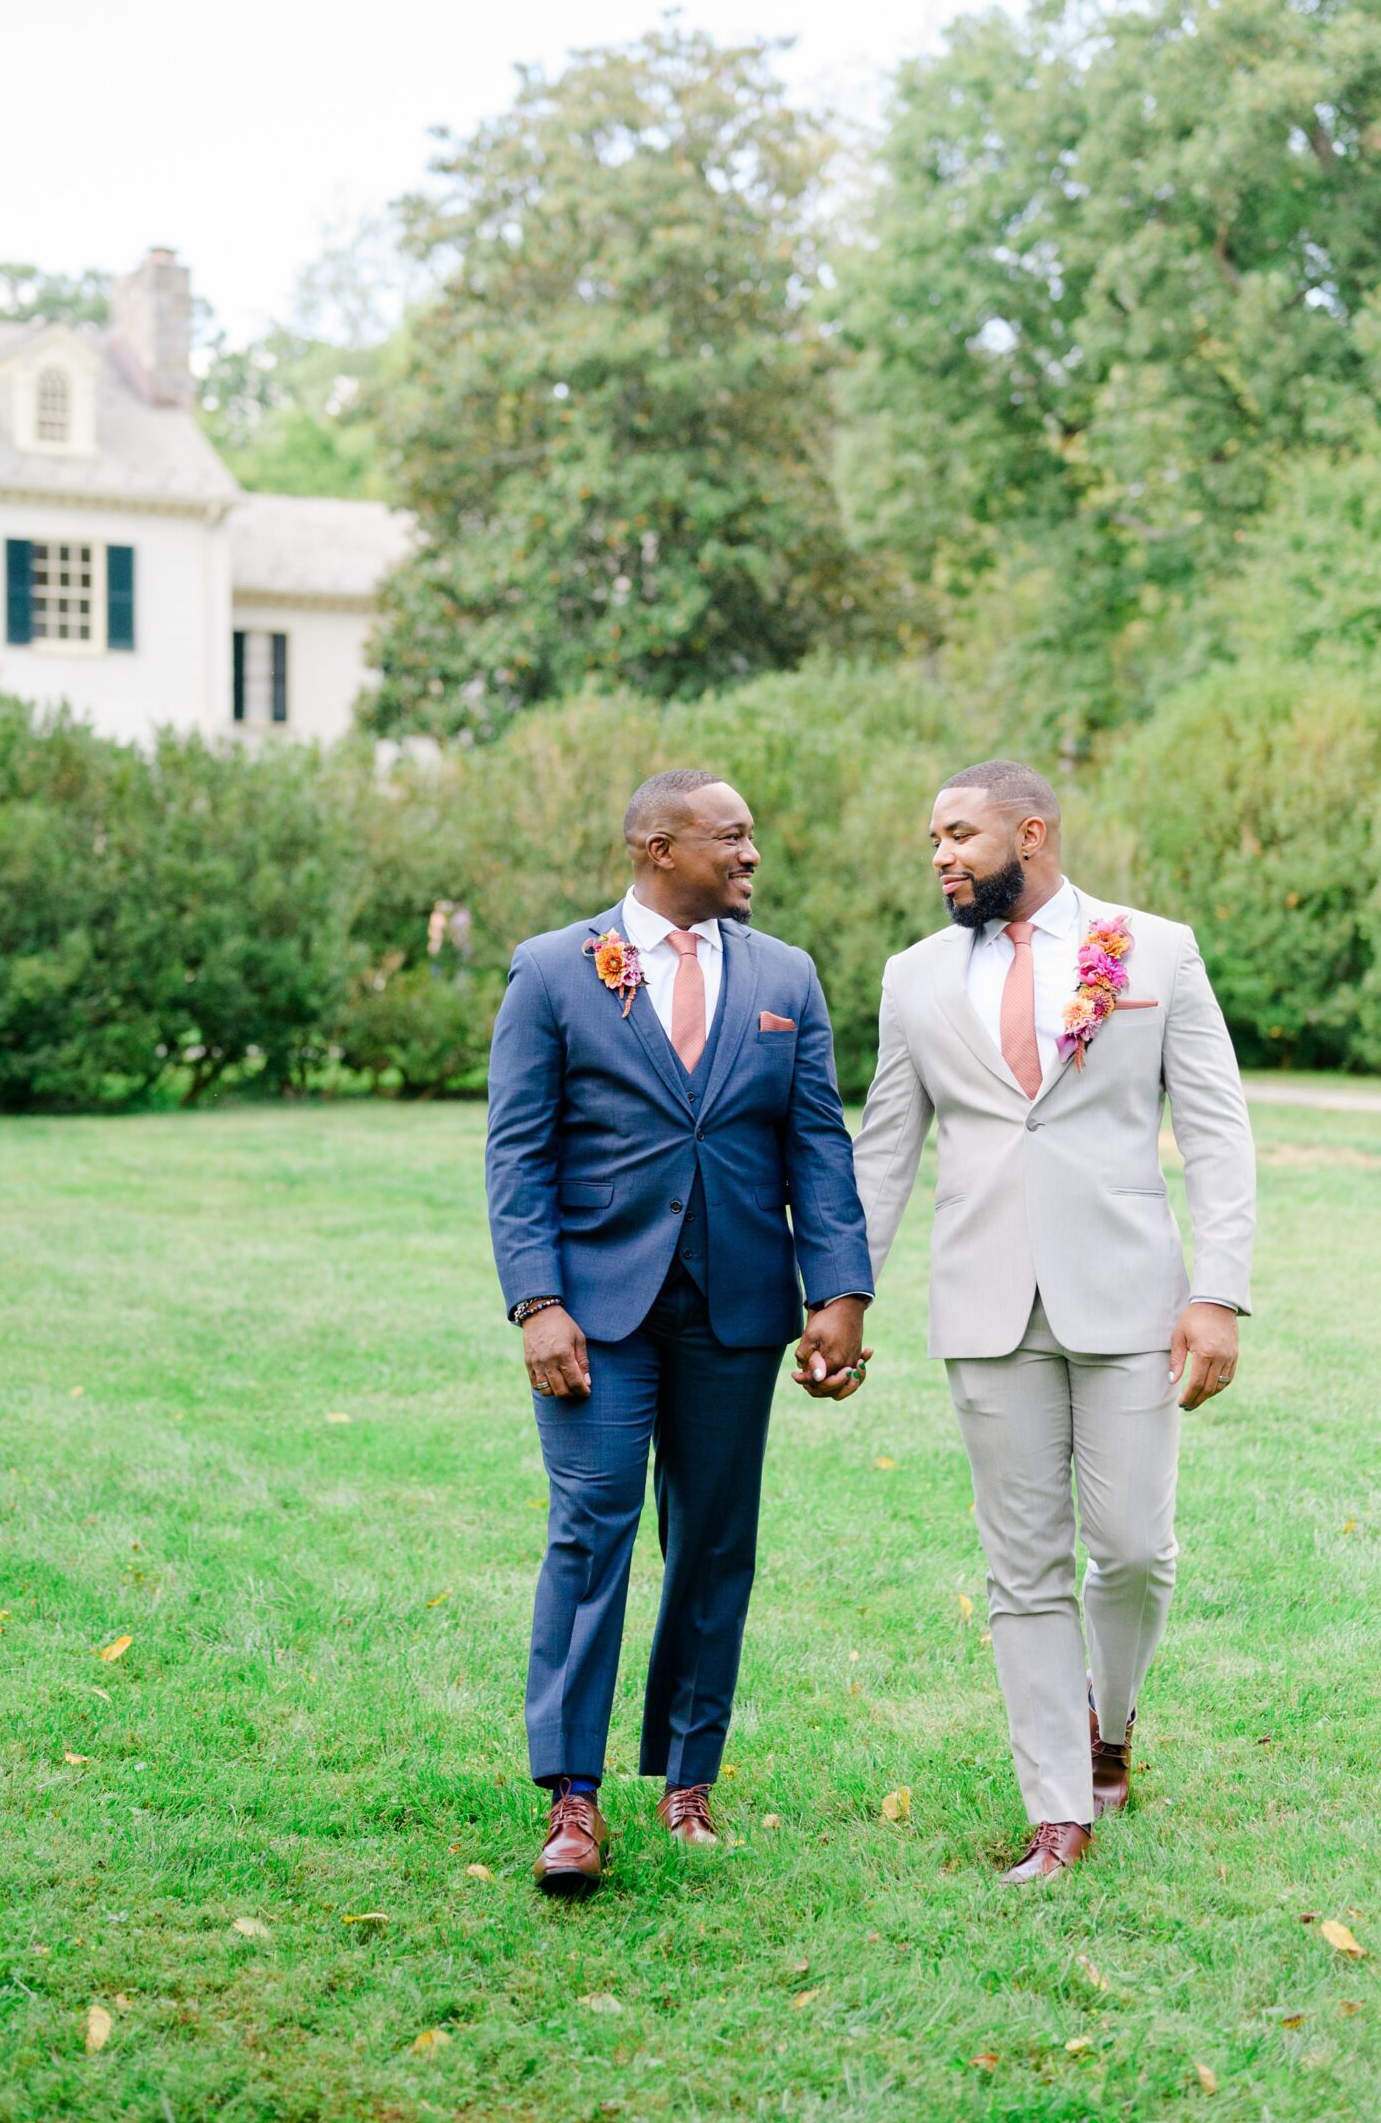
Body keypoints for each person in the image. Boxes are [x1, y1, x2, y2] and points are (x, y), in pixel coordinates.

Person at [849, 759, 1254, 1884]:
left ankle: (1109, 1724)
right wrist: (841, 1291)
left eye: (959, 834)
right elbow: (884, 1146)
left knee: (1129, 1546)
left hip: (1129, 1293)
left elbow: (1215, 1132)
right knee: (1021, 1566)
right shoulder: (913, 976)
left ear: (1030, 832)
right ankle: (1056, 1811)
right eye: (930, 835)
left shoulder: (1151, 950)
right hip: (982, 1301)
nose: (938, 854)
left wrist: (1214, 1291)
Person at [486, 768, 873, 1893]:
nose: (752, 854)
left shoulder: (785, 977)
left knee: (712, 1540)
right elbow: (517, 1152)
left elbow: (815, 1143)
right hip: (592, 1316)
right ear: (657, 846)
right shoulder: (555, 969)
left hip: (737, 1310)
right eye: (732, 836)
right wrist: (536, 1300)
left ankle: (688, 1780)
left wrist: (836, 1289)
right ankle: (569, 1796)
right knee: (589, 1530)